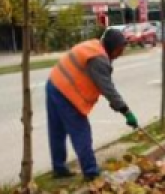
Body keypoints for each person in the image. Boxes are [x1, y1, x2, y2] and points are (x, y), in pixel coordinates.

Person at [47, 29, 137, 181]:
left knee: (57, 131)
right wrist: (126, 111)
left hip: (54, 84)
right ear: (112, 47)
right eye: (120, 49)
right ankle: (91, 172)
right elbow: (108, 89)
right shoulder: (99, 59)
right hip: (67, 93)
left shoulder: (94, 46)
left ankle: (59, 168)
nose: (121, 53)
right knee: (81, 132)